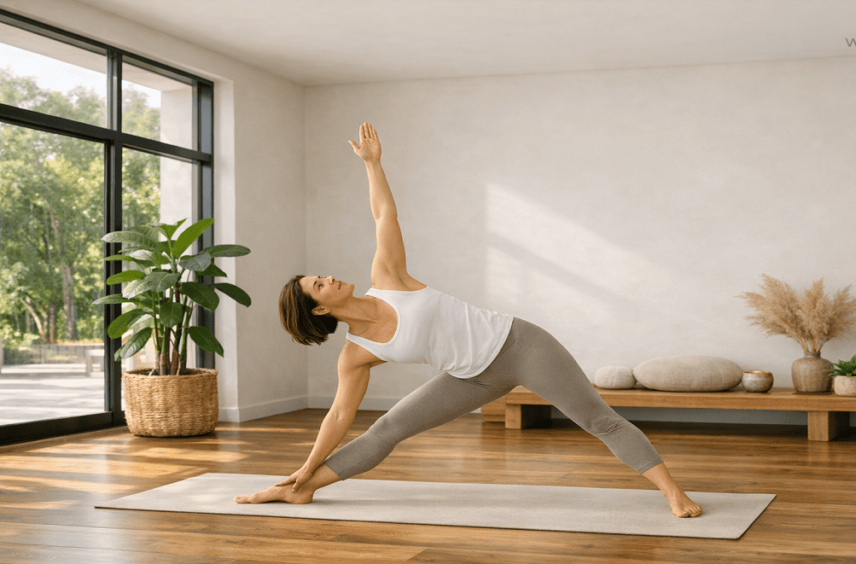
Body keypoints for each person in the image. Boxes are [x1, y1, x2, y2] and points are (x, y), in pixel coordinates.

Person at [235, 122, 702, 518]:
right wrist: (306, 465)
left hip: (520, 345)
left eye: (322, 275)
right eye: (320, 285)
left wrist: (372, 163)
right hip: (470, 377)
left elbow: (384, 215)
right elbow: (339, 415)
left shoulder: (388, 277)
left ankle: (672, 492)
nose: (331, 278)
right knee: (386, 430)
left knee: (598, 419)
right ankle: (300, 488)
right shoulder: (357, 355)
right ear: (318, 310)